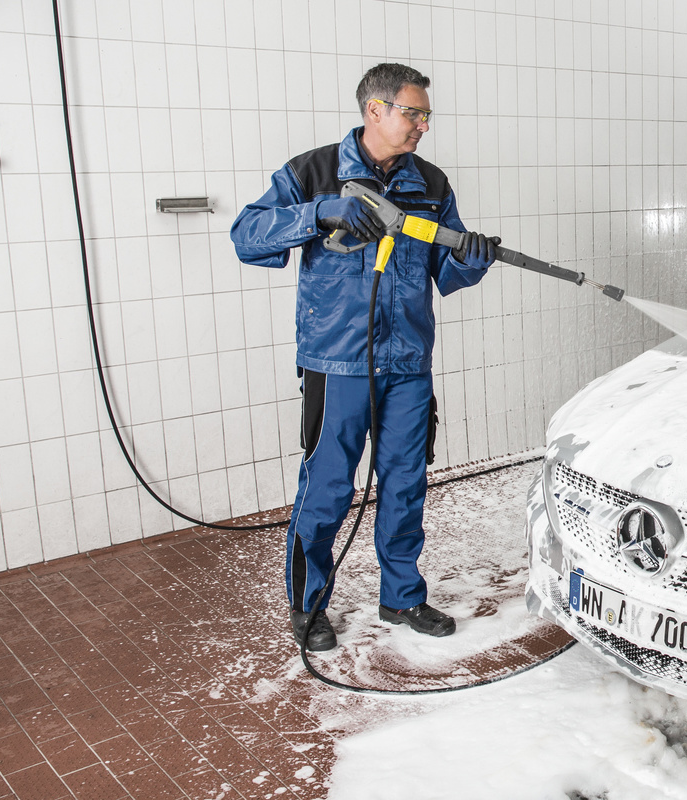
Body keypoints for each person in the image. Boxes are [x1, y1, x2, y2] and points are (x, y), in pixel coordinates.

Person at [231, 63, 496, 651]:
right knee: (327, 487)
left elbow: (445, 271)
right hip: (338, 361)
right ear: (374, 111)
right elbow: (245, 236)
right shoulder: (313, 171)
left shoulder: (430, 183)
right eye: (413, 112)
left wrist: (471, 259)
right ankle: (308, 604)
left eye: (426, 114)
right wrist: (318, 212)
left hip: (408, 363)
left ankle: (401, 596)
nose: (423, 125)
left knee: (404, 484)